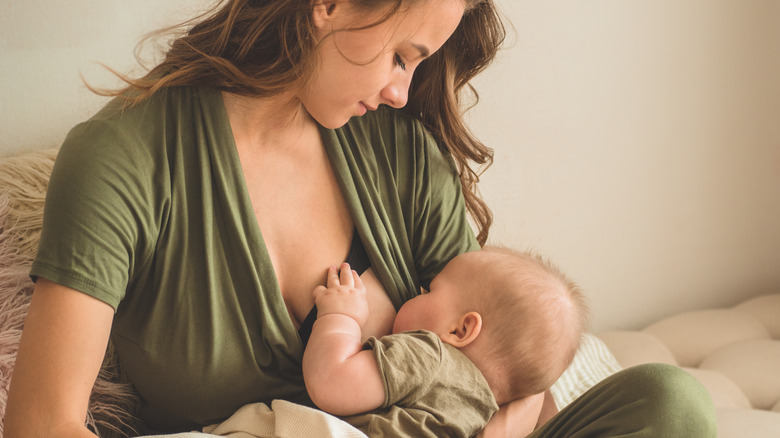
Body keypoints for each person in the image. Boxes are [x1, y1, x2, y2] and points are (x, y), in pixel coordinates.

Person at [4, 0, 717, 437]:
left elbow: (501, 374)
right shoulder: (124, 157)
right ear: (330, 3)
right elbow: (41, 422)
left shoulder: (399, 153)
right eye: (404, 55)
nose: (404, 93)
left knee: (668, 398)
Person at [302, 248, 589, 437]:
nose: (417, 292)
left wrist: (341, 315)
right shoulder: (481, 411)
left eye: (429, 291)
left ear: (461, 329)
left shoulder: (430, 355)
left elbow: (330, 382)